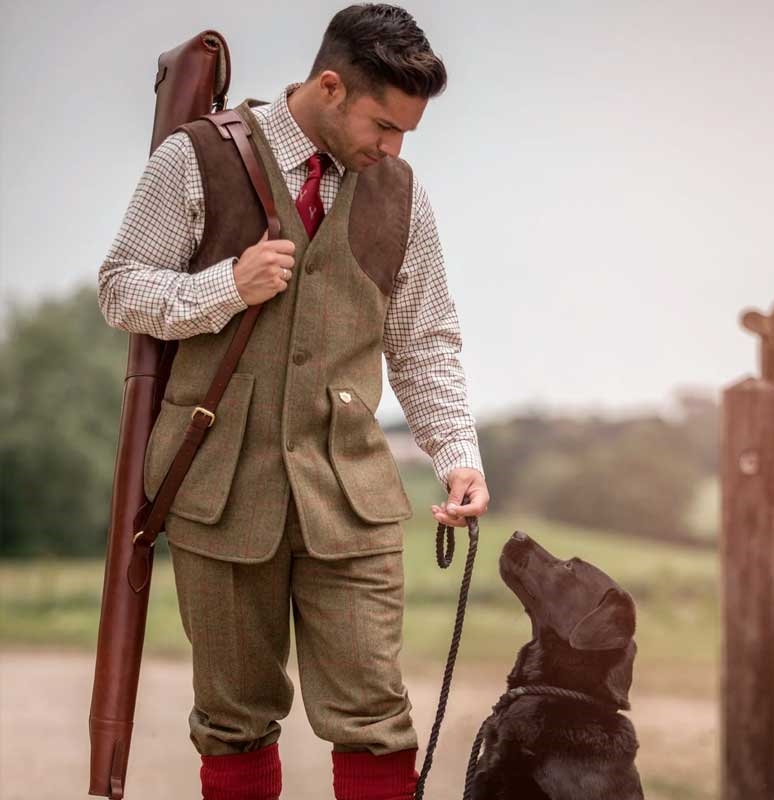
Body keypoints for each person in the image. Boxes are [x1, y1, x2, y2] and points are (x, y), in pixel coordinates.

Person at [97, 4, 489, 799]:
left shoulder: (401, 194)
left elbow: (424, 339)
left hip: (350, 495)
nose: (394, 148)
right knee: (233, 721)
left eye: (407, 132)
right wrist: (225, 288)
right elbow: (121, 288)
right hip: (217, 489)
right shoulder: (193, 158)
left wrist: (456, 456)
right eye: (385, 124)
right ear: (331, 86)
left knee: (376, 716)